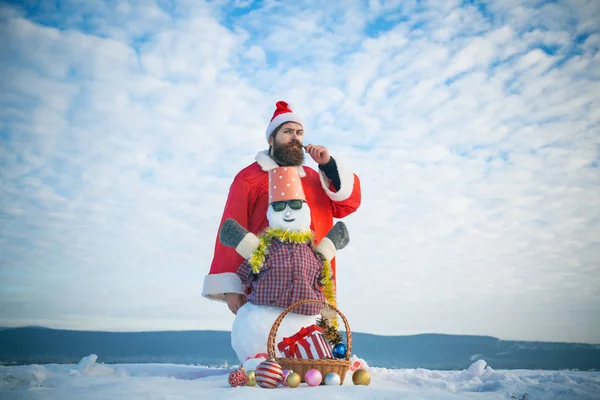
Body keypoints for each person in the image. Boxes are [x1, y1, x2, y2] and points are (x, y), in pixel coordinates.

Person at [201, 100, 362, 314]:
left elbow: (346, 204)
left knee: (313, 343)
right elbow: (232, 227)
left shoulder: (316, 178)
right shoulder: (248, 178)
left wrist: (328, 165)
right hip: (265, 287)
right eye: (287, 131)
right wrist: (232, 287)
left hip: (314, 287)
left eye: (299, 132)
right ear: (271, 139)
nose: (295, 137)